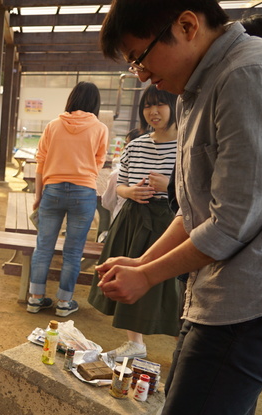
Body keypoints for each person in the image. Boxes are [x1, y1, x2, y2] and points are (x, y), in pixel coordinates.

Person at [99, 2, 262, 415]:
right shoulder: (201, 87)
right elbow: (193, 208)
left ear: (186, 24)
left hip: (252, 301)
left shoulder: (247, 75)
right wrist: (142, 262)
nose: (142, 76)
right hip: (219, 295)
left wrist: (148, 276)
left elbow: (233, 222)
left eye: (140, 58)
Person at [88, 85, 180, 362]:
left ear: (175, 107)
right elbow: (120, 184)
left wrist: (169, 186)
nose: (153, 111)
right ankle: (135, 343)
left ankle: (184, 347)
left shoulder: (187, 146)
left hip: (170, 222)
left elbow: (199, 190)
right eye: (147, 106)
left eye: (160, 104)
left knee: (172, 285)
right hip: (133, 219)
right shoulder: (136, 145)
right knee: (128, 275)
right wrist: (130, 192)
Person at [25, 82, 108, 317]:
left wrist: (38, 196)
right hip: (84, 192)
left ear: (72, 99)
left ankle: (35, 299)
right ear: (95, 103)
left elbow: (41, 162)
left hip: (52, 190)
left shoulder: (53, 125)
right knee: (73, 251)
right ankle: (64, 302)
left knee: (43, 247)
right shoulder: (100, 128)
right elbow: (99, 161)